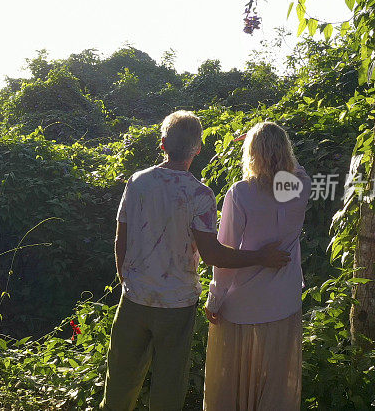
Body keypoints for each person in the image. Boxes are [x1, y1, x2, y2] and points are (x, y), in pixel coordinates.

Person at [100, 111, 291, 411]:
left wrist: (128, 281)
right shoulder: (200, 195)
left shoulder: (137, 183)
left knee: (120, 383)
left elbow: (120, 239)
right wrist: (261, 257)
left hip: (134, 299)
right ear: (198, 149)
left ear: (162, 144)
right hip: (177, 304)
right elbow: (213, 254)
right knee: (168, 386)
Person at [203, 121, 311, 410]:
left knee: (236, 382)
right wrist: (273, 145)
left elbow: (225, 254)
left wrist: (214, 299)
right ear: (285, 151)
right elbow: (295, 170)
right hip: (284, 299)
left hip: (244, 303)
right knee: (274, 381)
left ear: (251, 155)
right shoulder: (300, 185)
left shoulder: (240, 193)